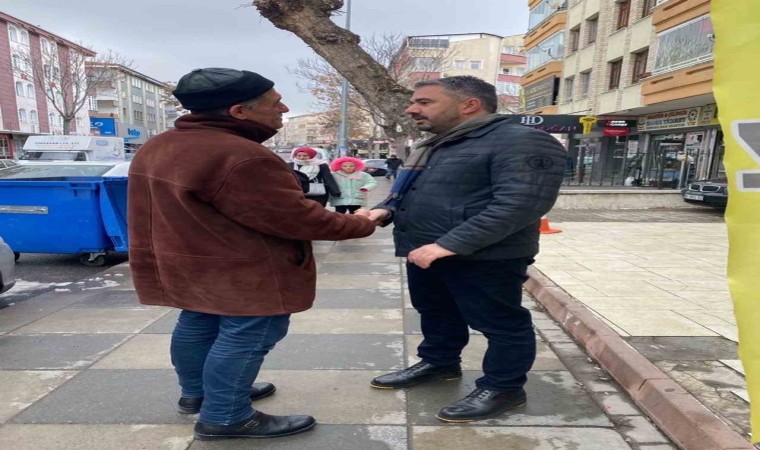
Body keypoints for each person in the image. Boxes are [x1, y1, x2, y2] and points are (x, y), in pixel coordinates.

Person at [127, 67, 376, 441]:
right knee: (248, 335)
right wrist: (362, 222)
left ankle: (199, 394)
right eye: (276, 103)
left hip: (188, 262)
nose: (285, 108)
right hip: (241, 270)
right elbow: (296, 219)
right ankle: (226, 415)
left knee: (197, 326)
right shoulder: (241, 155)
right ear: (239, 111)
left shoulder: (159, 145)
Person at [359, 76, 566, 423]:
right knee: (436, 312)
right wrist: (386, 209)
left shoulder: (523, 141)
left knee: (501, 324)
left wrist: (447, 245)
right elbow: (415, 191)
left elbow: (519, 205)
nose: (412, 108)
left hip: (486, 256)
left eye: (424, 102)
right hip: (425, 249)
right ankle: (440, 364)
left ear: (469, 104)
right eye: (415, 102)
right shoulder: (438, 143)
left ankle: (504, 387)